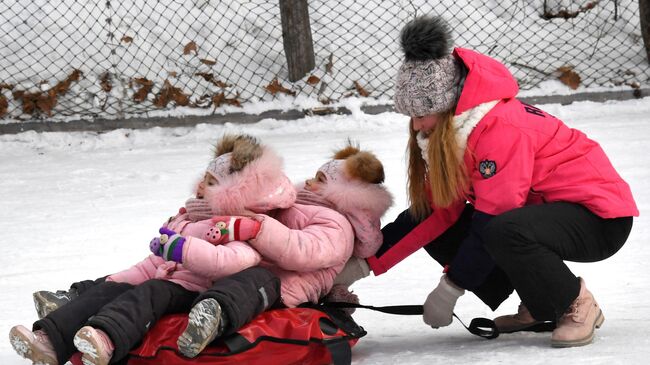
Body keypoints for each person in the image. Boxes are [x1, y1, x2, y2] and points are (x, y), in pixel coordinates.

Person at [337, 15, 638, 348]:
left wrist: (451, 286)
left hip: (598, 218)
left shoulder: (500, 130)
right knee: (447, 230)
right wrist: (360, 265)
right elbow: (434, 213)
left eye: (422, 114)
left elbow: (496, 215)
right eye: (411, 115)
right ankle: (541, 303)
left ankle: (574, 301)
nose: (417, 124)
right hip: (544, 216)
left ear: (449, 107)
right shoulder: (452, 136)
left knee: (502, 229)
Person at [8, 133, 297, 365]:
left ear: (234, 191)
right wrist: (118, 280)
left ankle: (106, 341)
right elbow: (153, 262)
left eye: (211, 183)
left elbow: (235, 262)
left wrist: (183, 250)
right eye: (203, 179)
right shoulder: (187, 217)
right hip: (168, 277)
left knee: (150, 293)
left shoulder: (236, 224)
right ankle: (49, 340)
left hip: (196, 291)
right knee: (112, 289)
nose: (200, 187)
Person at [174, 141, 393, 357]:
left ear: (342, 193)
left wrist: (256, 228)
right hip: (265, 277)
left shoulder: (336, 225)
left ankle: (216, 316)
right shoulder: (301, 209)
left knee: (256, 279)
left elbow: (299, 250)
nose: (309, 181)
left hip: (282, 289)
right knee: (238, 274)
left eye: (320, 180)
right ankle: (201, 310)